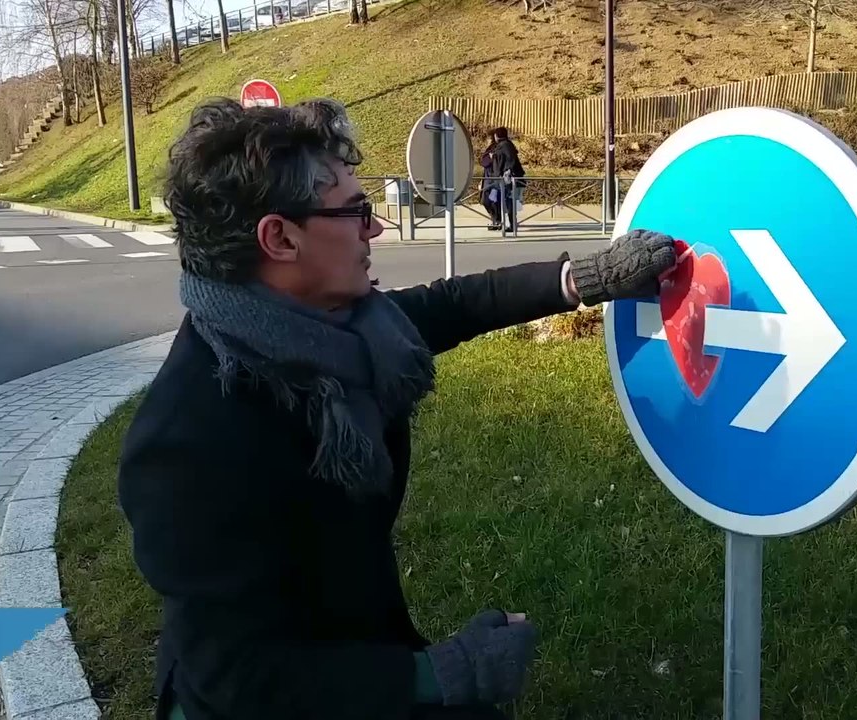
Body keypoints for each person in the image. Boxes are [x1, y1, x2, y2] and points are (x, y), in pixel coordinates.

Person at [115, 96, 678, 720]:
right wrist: (448, 672)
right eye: (356, 211)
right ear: (280, 238)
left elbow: (452, 303)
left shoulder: (339, 329)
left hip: (356, 638)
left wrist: (583, 279)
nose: (376, 229)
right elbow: (238, 677)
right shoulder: (187, 444)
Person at [487, 127, 524, 233]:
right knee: (506, 202)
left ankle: (508, 224)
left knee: (508, 202)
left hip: (507, 179)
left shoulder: (503, 146)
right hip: (509, 178)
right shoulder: (508, 145)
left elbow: (502, 162)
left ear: (496, 135)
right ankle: (506, 224)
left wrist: (493, 157)